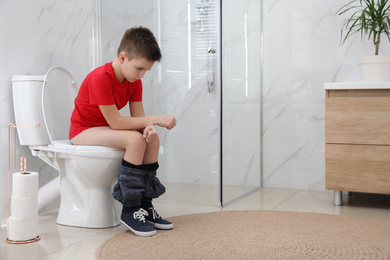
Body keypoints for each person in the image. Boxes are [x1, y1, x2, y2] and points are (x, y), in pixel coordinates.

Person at [69, 26, 177, 237]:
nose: (142, 75)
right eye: (139, 68)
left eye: (146, 70)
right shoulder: (99, 78)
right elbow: (117, 122)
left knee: (150, 139)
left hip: (106, 127)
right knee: (135, 141)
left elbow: (138, 119)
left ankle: (145, 206)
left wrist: (149, 129)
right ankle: (130, 209)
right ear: (122, 57)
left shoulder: (133, 80)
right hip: (83, 130)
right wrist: (156, 119)